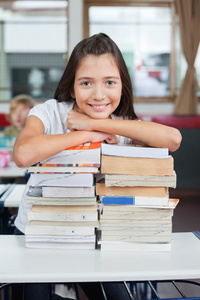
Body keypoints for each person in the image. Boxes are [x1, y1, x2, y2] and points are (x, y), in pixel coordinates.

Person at [13, 33, 182, 300]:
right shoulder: (50, 113)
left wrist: (95, 123)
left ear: (122, 86)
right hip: (38, 232)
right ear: (72, 87)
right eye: (86, 83)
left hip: (95, 234)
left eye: (110, 82)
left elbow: (173, 139)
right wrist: (86, 135)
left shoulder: (122, 123)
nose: (98, 94)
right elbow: (23, 154)